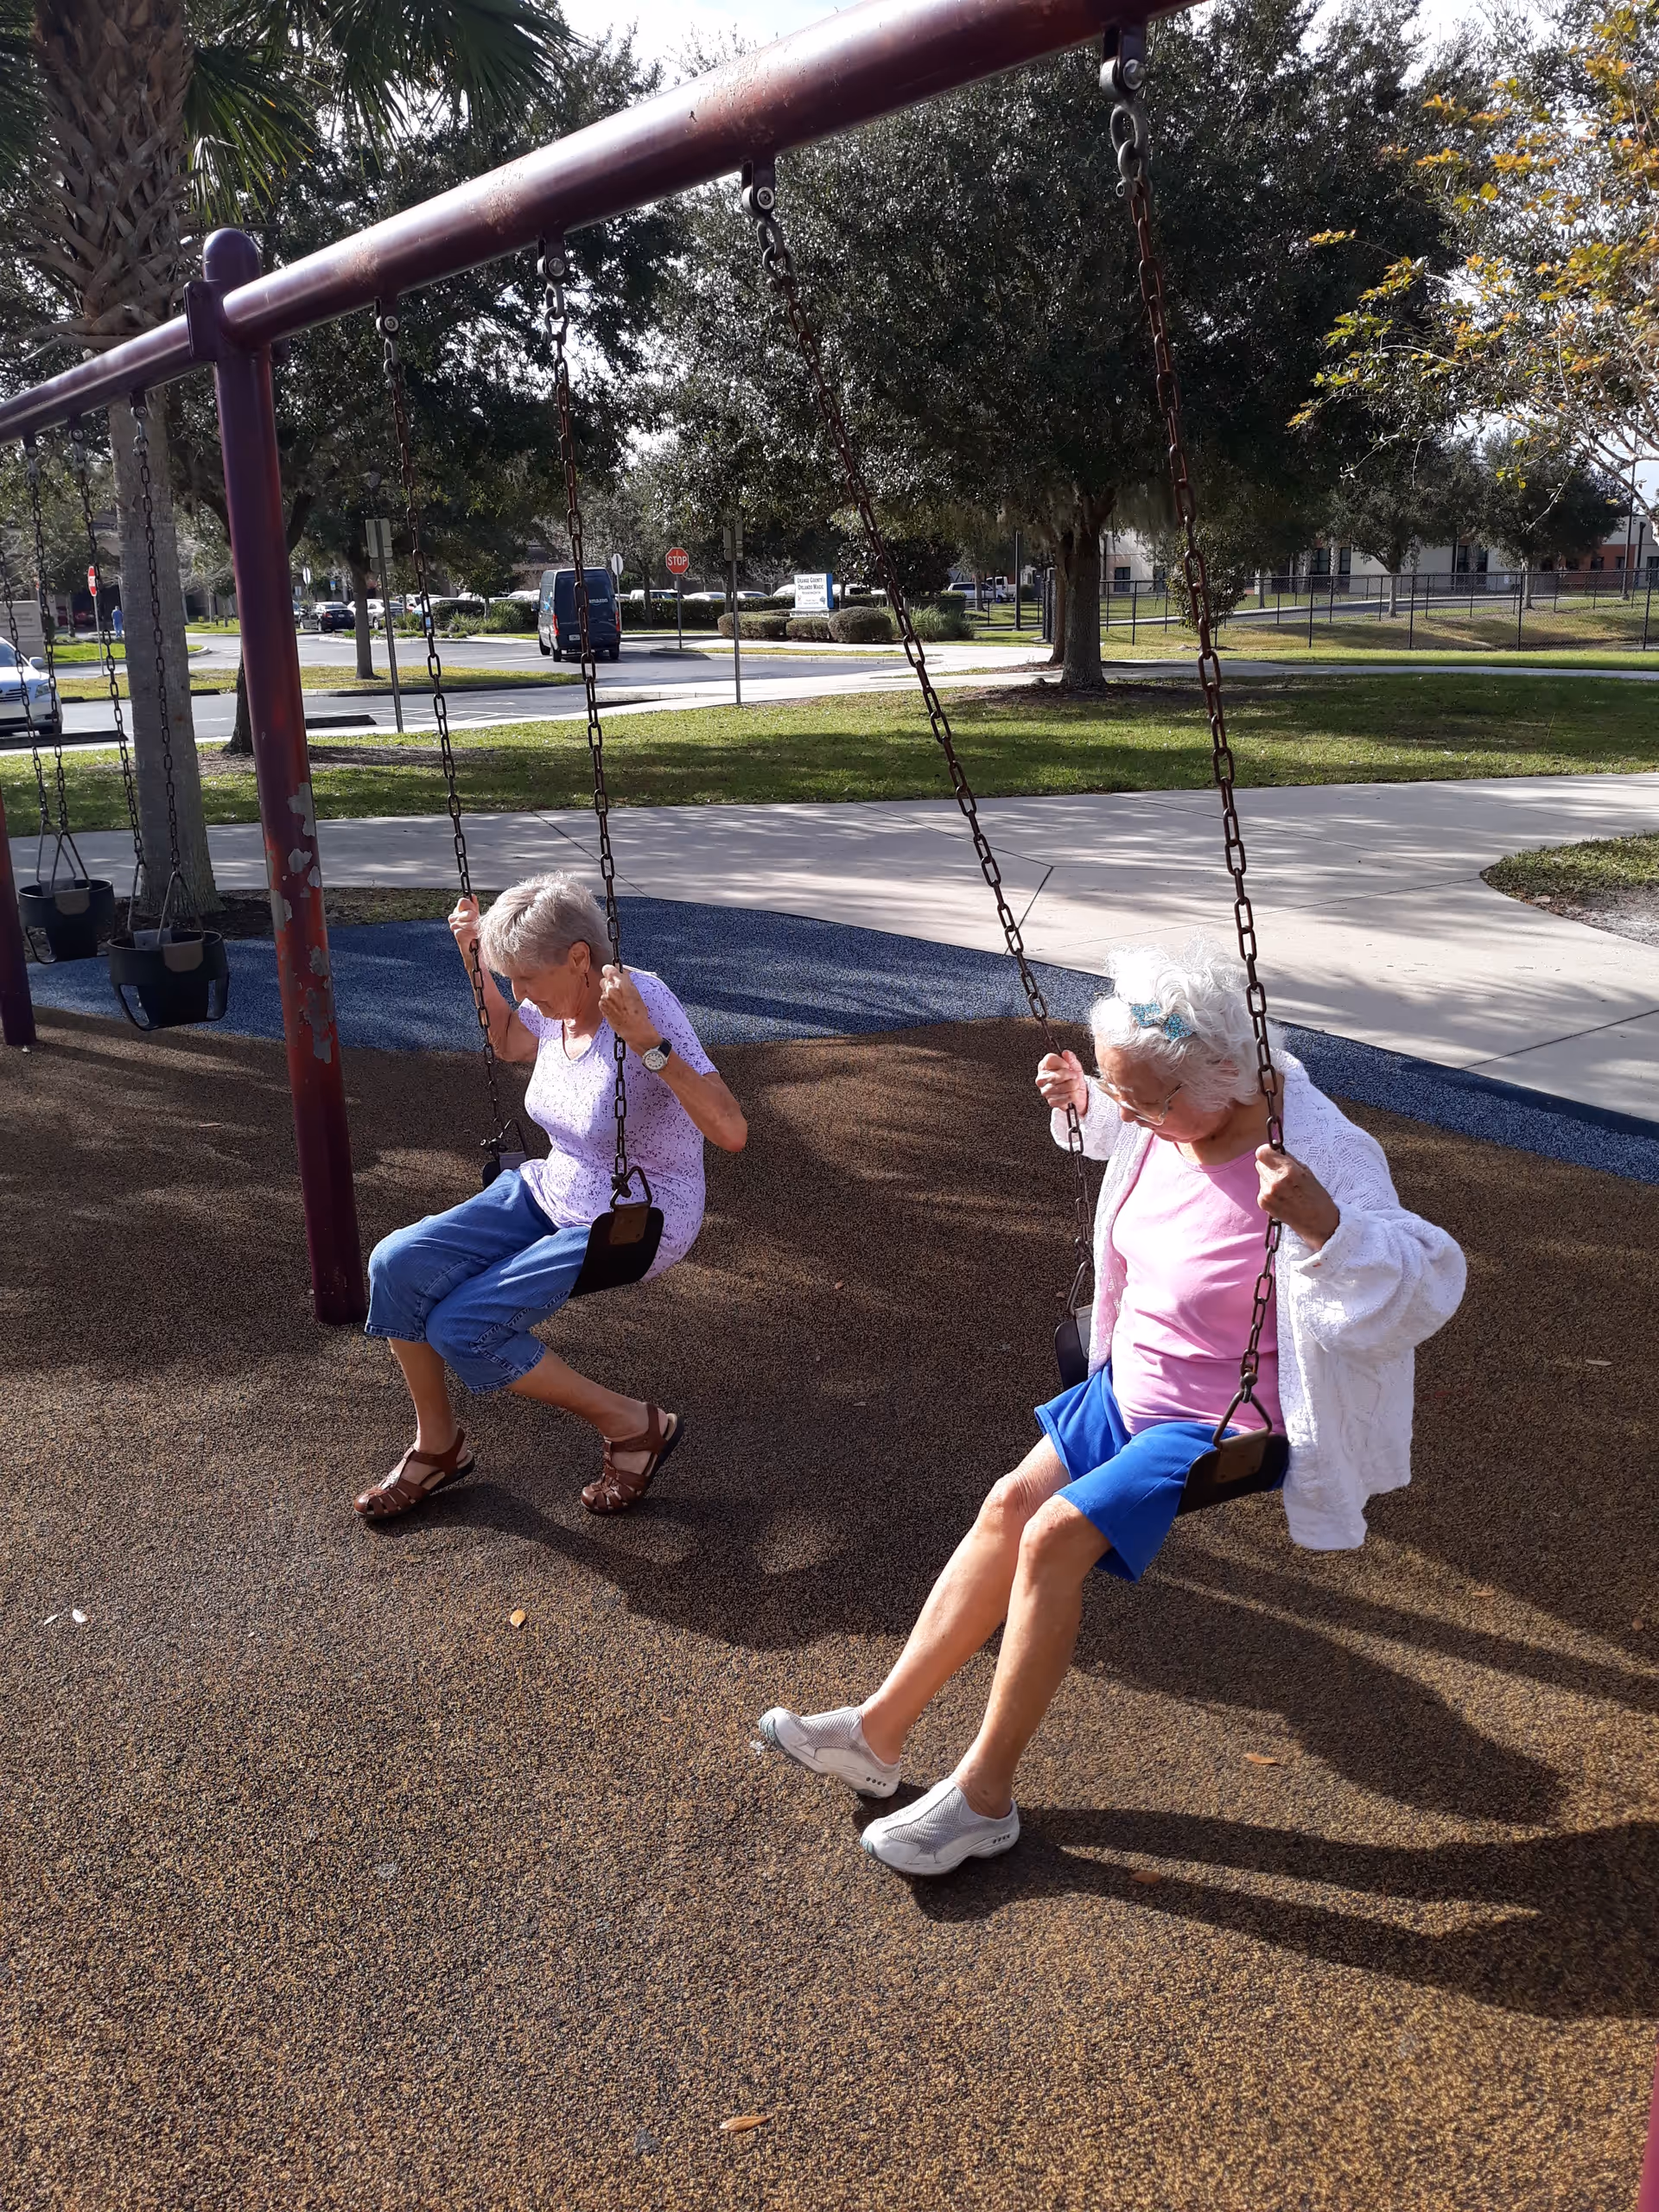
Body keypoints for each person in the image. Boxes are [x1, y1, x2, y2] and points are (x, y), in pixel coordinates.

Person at [760, 936, 1466, 1877]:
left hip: (1223, 1420)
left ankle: (983, 1798)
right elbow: (1141, 1132)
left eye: (1146, 1099)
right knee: (1009, 1506)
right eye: (1120, 1094)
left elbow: (1425, 1286)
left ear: (1231, 1069)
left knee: (1054, 1537)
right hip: (1131, 1377)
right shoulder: (1171, 1105)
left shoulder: (1326, 1150)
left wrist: (1325, 1225)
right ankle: (877, 1732)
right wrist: (1091, 1104)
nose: (1134, 1117)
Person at [353, 872, 746, 1522]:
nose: (521, 994)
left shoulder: (641, 1003)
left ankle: (633, 1426)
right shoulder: (557, 1000)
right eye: (510, 980)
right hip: (553, 1187)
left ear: (580, 959)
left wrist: (648, 1043)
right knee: (394, 1263)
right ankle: (438, 1444)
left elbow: (730, 1130)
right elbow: (510, 1039)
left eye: (527, 980)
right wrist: (473, 959)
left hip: (637, 1214)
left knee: (461, 1326)